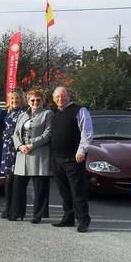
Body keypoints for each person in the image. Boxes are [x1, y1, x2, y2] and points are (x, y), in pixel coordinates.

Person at [50, 86, 93, 232]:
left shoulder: (80, 110)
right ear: (54, 99)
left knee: (77, 191)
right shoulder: (56, 113)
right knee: (64, 191)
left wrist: (81, 150)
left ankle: (83, 220)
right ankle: (68, 218)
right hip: (57, 158)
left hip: (73, 158)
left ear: (69, 96)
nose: (60, 99)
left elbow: (87, 132)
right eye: (57, 97)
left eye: (63, 96)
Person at [11, 89, 53, 223]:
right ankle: (17, 213)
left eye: (38, 100)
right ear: (28, 101)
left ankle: (38, 214)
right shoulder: (22, 115)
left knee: (40, 188)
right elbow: (15, 134)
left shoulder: (48, 114)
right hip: (22, 155)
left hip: (38, 155)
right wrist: (19, 146)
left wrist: (31, 144)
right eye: (32, 100)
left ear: (43, 101)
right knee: (18, 187)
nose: (35, 102)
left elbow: (48, 134)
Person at [0, 90, 26, 219]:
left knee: (17, 181)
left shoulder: (24, 114)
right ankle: (8, 208)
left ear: (21, 100)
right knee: (8, 180)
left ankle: (17, 211)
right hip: (7, 150)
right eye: (12, 99)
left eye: (17, 99)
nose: (15, 101)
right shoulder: (7, 113)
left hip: (18, 149)